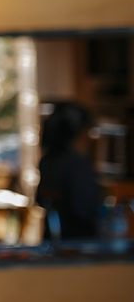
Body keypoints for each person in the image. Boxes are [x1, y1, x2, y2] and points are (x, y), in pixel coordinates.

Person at [37, 102, 99, 239]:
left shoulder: (48, 160)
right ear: (80, 131)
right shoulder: (76, 165)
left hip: (53, 241)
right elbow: (85, 210)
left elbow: (40, 199)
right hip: (78, 242)